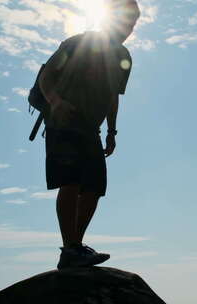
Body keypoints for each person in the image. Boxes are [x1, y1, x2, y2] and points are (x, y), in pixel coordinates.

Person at [38, 0, 140, 269]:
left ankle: (76, 247)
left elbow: (113, 97)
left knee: (94, 187)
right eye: (125, 20)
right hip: (64, 121)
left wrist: (112, 131)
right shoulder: (77, 43)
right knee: (69, 182)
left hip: (91, 128)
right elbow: (46, 76)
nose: (128, 27)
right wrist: (56, 102)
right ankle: (70, 248)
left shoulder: (124, 56)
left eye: (133, 22)